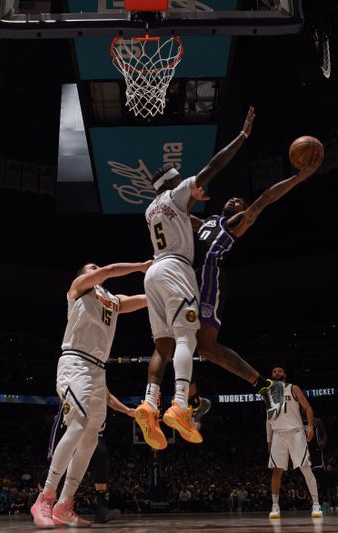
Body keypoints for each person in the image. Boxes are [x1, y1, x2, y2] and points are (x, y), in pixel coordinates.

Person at [154, 148, 324, 427]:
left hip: (209, 276)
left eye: (240, 201)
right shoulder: (206, 221)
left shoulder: (235, 223)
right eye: (232, 198)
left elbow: (266, 198)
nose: (234, 199)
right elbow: (174, 212)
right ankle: (199, 401)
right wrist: (163, 193)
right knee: (188, 344)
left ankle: (256, 388)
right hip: (187, 276)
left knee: (203, 345)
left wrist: (299, 177)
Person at [135, 107, 257, 450]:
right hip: (176, 270)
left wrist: (192, 204)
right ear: (175, 182)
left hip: (153, 273)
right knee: (187, 338)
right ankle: (180, 405)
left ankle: (149, 401)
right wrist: (242, 138)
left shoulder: (151, 210)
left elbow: (185, 219)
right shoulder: (176, 194)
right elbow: (212, 167)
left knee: (162, 345)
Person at [30, 260, 150, 529]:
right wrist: (143, 266)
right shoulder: (79, 289)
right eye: (90, 268)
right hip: (74, 363)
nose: (95, 270)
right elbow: (107, 272)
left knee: (91, 439)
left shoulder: (112, 299)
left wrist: (161, 288)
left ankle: (64, 505)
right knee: (79, 425)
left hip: (98, 371)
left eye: (96, 267)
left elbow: (141, 300)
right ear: (82, 276)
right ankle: (45, 498)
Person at [265, 364, 322, 519]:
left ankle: (316, 504)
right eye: (274, 371)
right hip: (278, 434)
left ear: (284, 375)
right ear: (271, 376)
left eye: (280, 371)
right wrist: (269, 440)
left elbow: (308, 408)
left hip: (296, 432)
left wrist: (309, 426)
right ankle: (275, 506)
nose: (277, 372)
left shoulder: (293, 388)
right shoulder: (268, 392)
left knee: (305, 468)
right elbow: (268, 418)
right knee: (276, 471)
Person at [90, 389, 134, 523]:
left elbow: (108, 398)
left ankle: (101, 509)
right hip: (75, 425)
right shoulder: (78, 372)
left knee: (101, 454)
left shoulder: (99, 373)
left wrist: (127, 410)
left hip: (95, 430)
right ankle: (41, 500)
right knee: (61, 466)